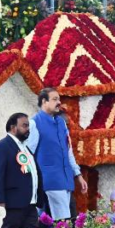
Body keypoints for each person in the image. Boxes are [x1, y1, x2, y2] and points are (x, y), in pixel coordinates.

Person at [25, 88, 86, 221]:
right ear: (44, 102)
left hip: (66, 180)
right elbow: (28, 153)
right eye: (54, 99)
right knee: (63, 224)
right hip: (50, 180)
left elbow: (68, 151)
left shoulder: (61, 123)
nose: (59, 102)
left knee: (64, 223)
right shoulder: (35, 123)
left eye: (59, 99)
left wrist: (78, 175)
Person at [0, 113, 45, 228]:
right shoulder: (1, 147)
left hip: (30, 206)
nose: (28, 129)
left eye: (28, 126)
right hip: (11, 207)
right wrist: (0, 203)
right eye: (24, 126)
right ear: (13, 127)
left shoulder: (24, 147)